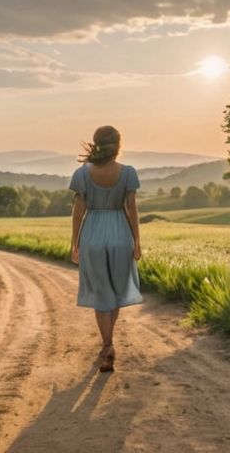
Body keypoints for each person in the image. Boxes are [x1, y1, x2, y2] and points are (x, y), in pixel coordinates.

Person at [68, 125, 143, 373]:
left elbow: (78, 212)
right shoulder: (128, 173)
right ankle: (109, 343)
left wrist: (74, 242)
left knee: (102, 292)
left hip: (93, 234)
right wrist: (137, 241)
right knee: (116, 290)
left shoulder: (82, 174)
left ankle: (107, 345)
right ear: (118, 145)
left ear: (96, 143)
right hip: (121, 233)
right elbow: (131, 209)